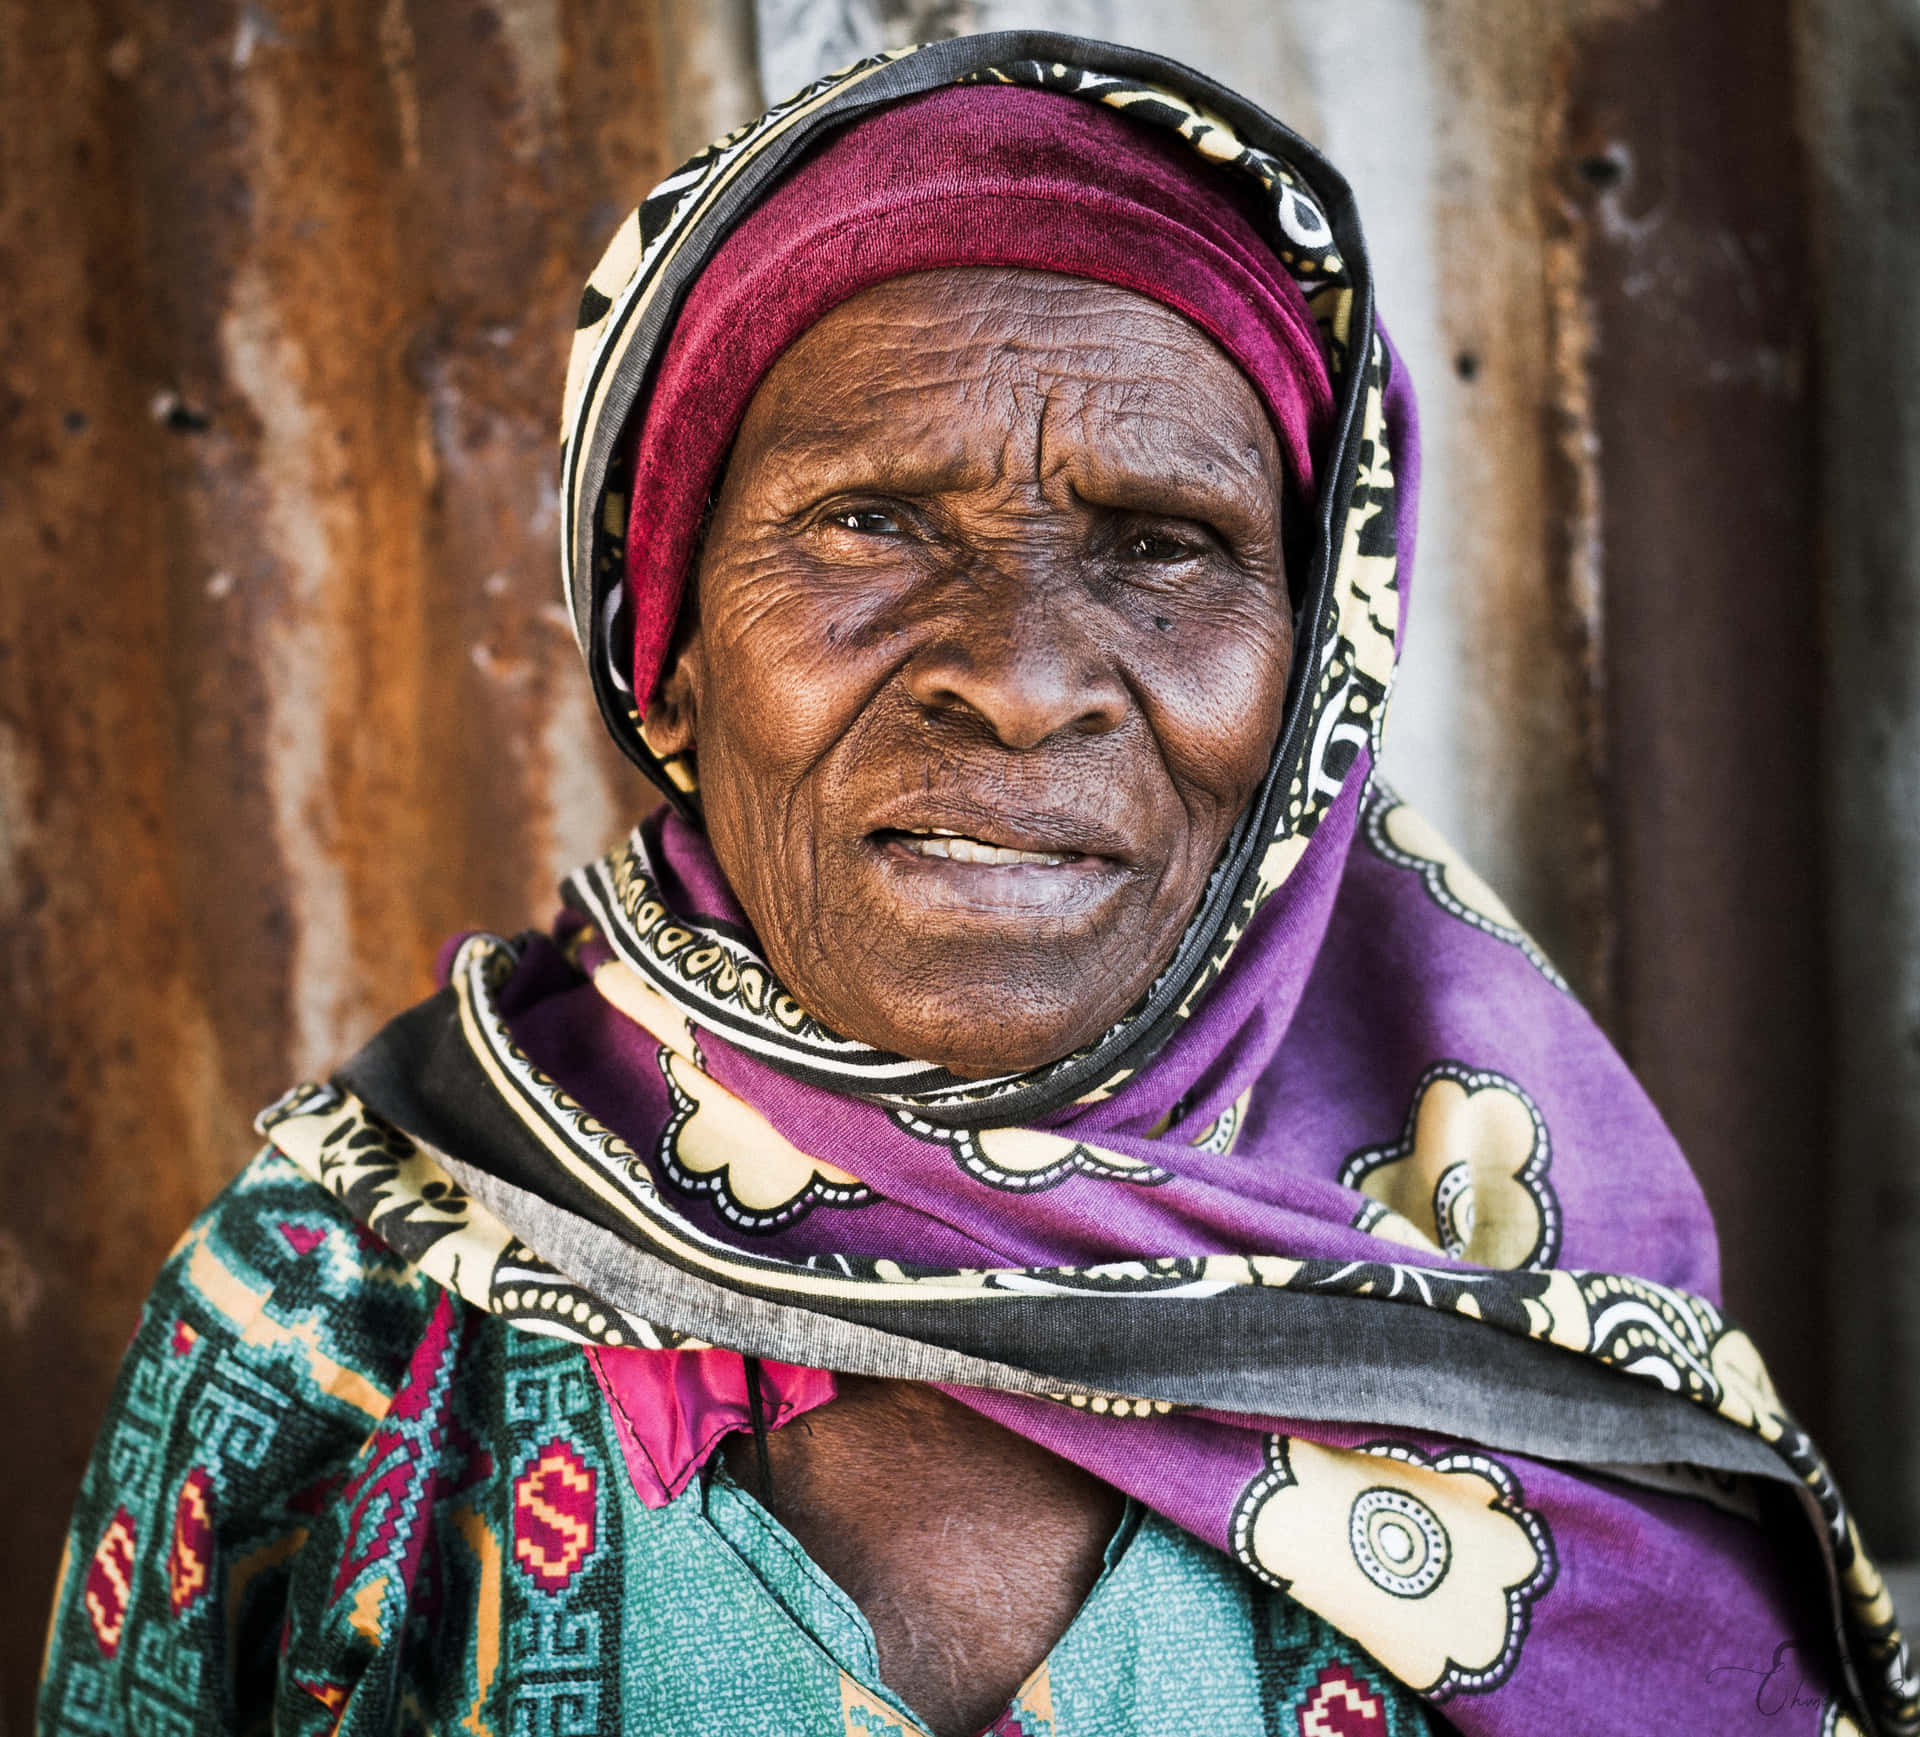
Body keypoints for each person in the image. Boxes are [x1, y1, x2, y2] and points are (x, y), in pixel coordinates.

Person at [37, 31, 1913, 1737]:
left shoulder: (1518, 1283)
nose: (1020, 673)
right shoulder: (331, 1303)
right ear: (669, 643)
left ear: (1312, 687)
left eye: (1165, 545)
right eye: (870, 521)